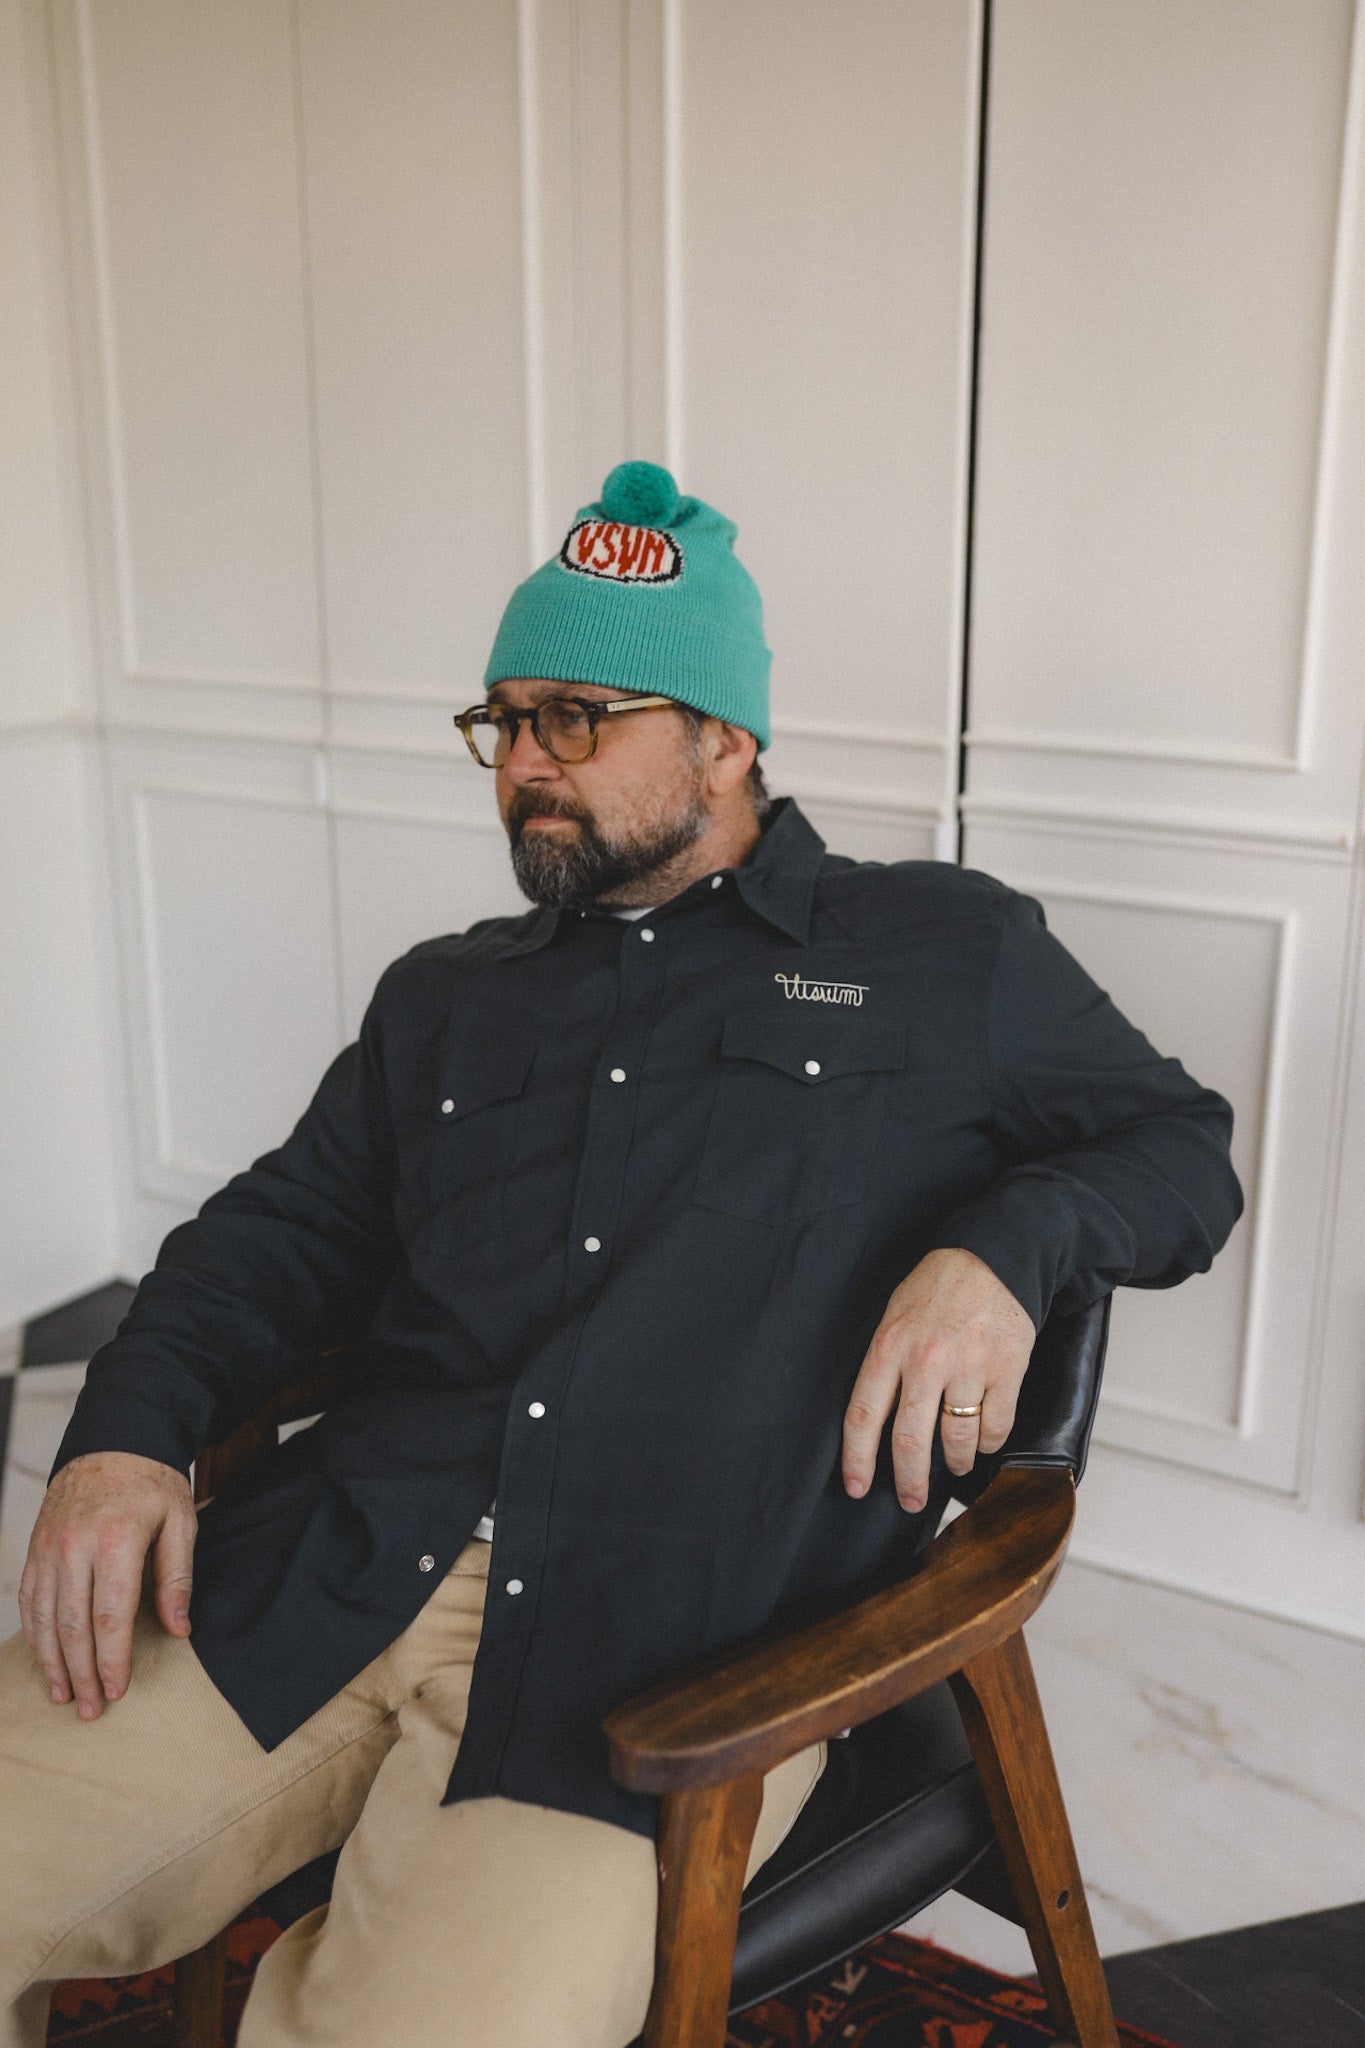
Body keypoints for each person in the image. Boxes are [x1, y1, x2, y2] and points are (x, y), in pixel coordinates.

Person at [0, 462, 1243, 2048]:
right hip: (326, 1561)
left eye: (575, 717)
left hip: (660, 1649)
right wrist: (122, 1437)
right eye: (502, 721)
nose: (522, 764)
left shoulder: (945, 951)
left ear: (725, 738)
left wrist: (1005, 1243)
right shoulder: (449, 995)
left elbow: (1175, 1148)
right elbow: (277, 1233)